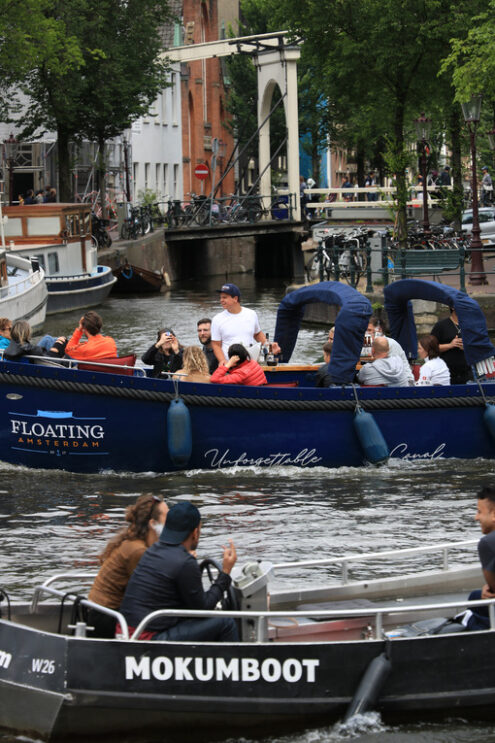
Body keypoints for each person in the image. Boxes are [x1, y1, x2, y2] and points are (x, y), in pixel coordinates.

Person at [120, 501, 238, 642]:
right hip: (147, 637)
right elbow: (203, 608)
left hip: (127, 630)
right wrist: (225, 572)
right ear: (195, 532)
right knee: (226, 623)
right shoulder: (184, 562)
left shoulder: (153, 550)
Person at [87, 495, 169, 638]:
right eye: (167, 516)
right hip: (107, 617)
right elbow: (152, 591)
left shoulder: (136, 541)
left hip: (101, 611)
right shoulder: (138, 551)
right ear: (153, 523)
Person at [210, 283, 280, 365]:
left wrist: (269, 347)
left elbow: (257, 334)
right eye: (220, 297)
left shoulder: (251, 314)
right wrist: (223, 362)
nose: (221, 300)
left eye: (224, 297)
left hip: (250, 364)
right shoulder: (217, 319)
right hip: (231, 365)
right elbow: (216, 345)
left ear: (235, 299)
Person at [461, 487, 495, 631]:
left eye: (480, 512)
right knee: (476, 596)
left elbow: (492, 591)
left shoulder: (487, 543)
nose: (476, 517)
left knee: (475, 602)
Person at [431, 305, 471, 385]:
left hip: (466, 374)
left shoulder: (469, 325)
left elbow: (478, 348)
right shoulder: (441, 326)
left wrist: (467, 347)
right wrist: (450, 345)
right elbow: (430, 348)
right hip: (445, 374)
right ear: (452, 307)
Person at [367, 316, 414, 384]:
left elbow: (393, 371)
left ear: (379, 330)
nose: (366, 333)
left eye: (369, 330)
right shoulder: (369, 343)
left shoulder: (390, 343)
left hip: (401, 385)